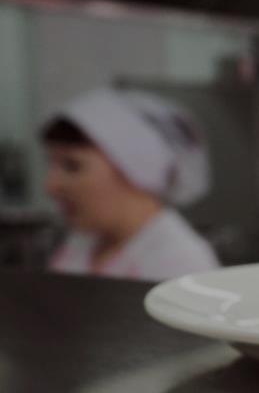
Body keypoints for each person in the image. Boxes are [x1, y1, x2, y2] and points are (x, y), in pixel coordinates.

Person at [42, 87, 219, 281]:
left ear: (135, 168)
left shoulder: (181, 263)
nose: (51, 186)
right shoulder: (82, 243)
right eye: (52, 165)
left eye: (72, 166)